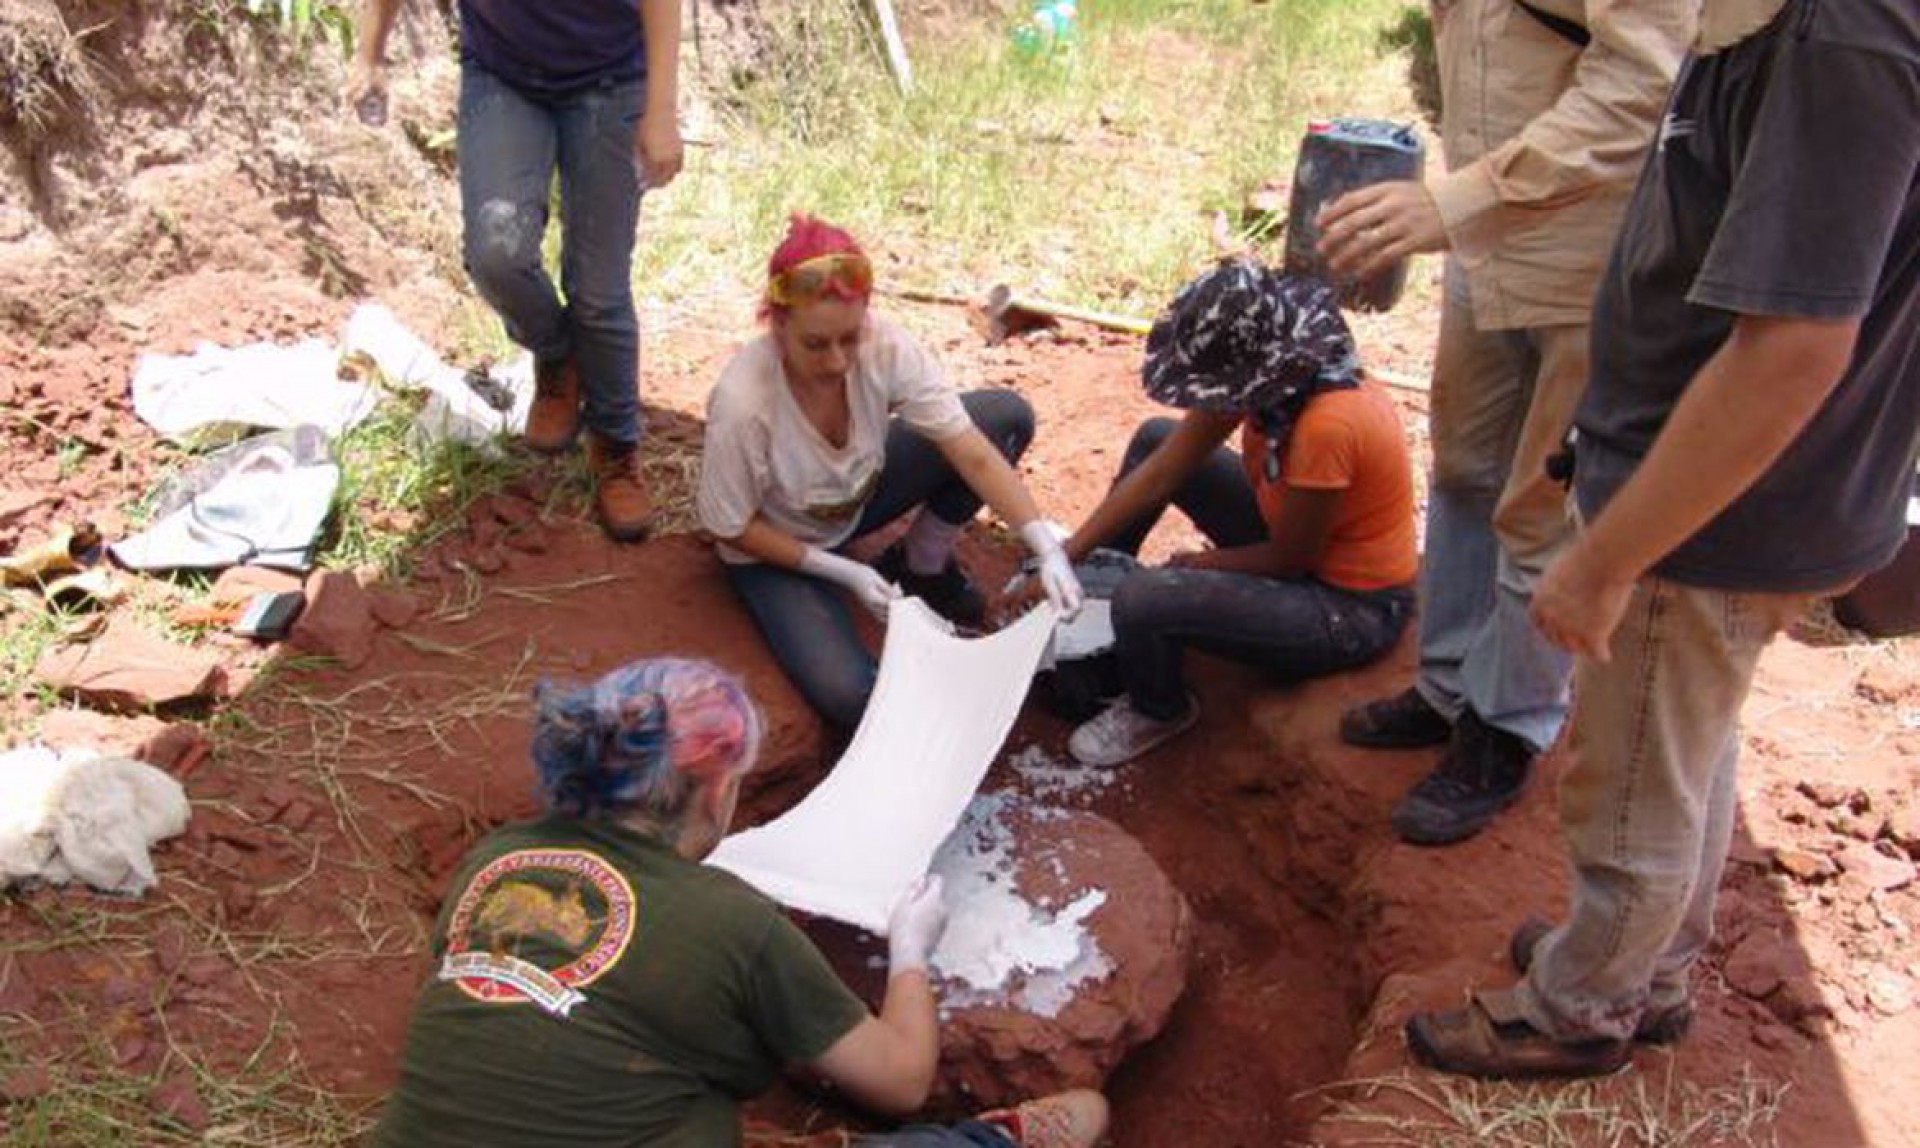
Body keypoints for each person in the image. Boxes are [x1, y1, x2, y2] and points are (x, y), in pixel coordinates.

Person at [1404, 0, 1920, 1078]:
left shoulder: (1844, 45)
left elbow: (1791, 350)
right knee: (1683, 744)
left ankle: (1580, 1007)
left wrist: (1604, 557)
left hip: (1715, 511)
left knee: (1626, 771)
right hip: (1705, 489)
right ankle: (1651, 962)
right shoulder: (1785, 33)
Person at [372, 657, 1111, 1146]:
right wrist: (910, 949)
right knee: (1085, 1114)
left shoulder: (492, 860)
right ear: (719, 791)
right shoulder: (730, 921)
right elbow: (902, 1080)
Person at [1316, 0, 1695, 845]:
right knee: (1464, 469)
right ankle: (1447, 683)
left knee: (1540, 501)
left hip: (1587, 250)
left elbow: (1642, 82)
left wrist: (1460, 200)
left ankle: (1508, 725)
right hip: (1483, 237)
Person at [696, 215, 1083, 732]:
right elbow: (731, 526)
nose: (837, 361)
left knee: (1002, 419)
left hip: (853, 499)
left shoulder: (885, 348)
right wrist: (845, 572)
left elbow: (972, 452)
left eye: (849, 338)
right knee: (852, 697)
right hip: (774, 544)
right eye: (815, 344)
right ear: (778, 324)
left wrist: (1047, 549)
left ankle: (921, 565)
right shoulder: (744, 403)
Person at [1042, 261, 1419, 768]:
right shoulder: (1277, 375)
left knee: (1144, 597)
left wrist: (1199, 566)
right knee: (1155, 439)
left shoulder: (1327, 426)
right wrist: (1064, 557)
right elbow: (1162, 471)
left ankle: (1159, 706)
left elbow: (1291, 560)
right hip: (1293, 529)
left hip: (1347, 606)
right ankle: (1093, 595)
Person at [349, 0, 683, 542]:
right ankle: (557, 354)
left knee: (599, 290)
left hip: (612, 76)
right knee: (495, 253)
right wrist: (369, 55)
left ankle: (616, 448)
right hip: (503, 76)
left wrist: (661, 108)